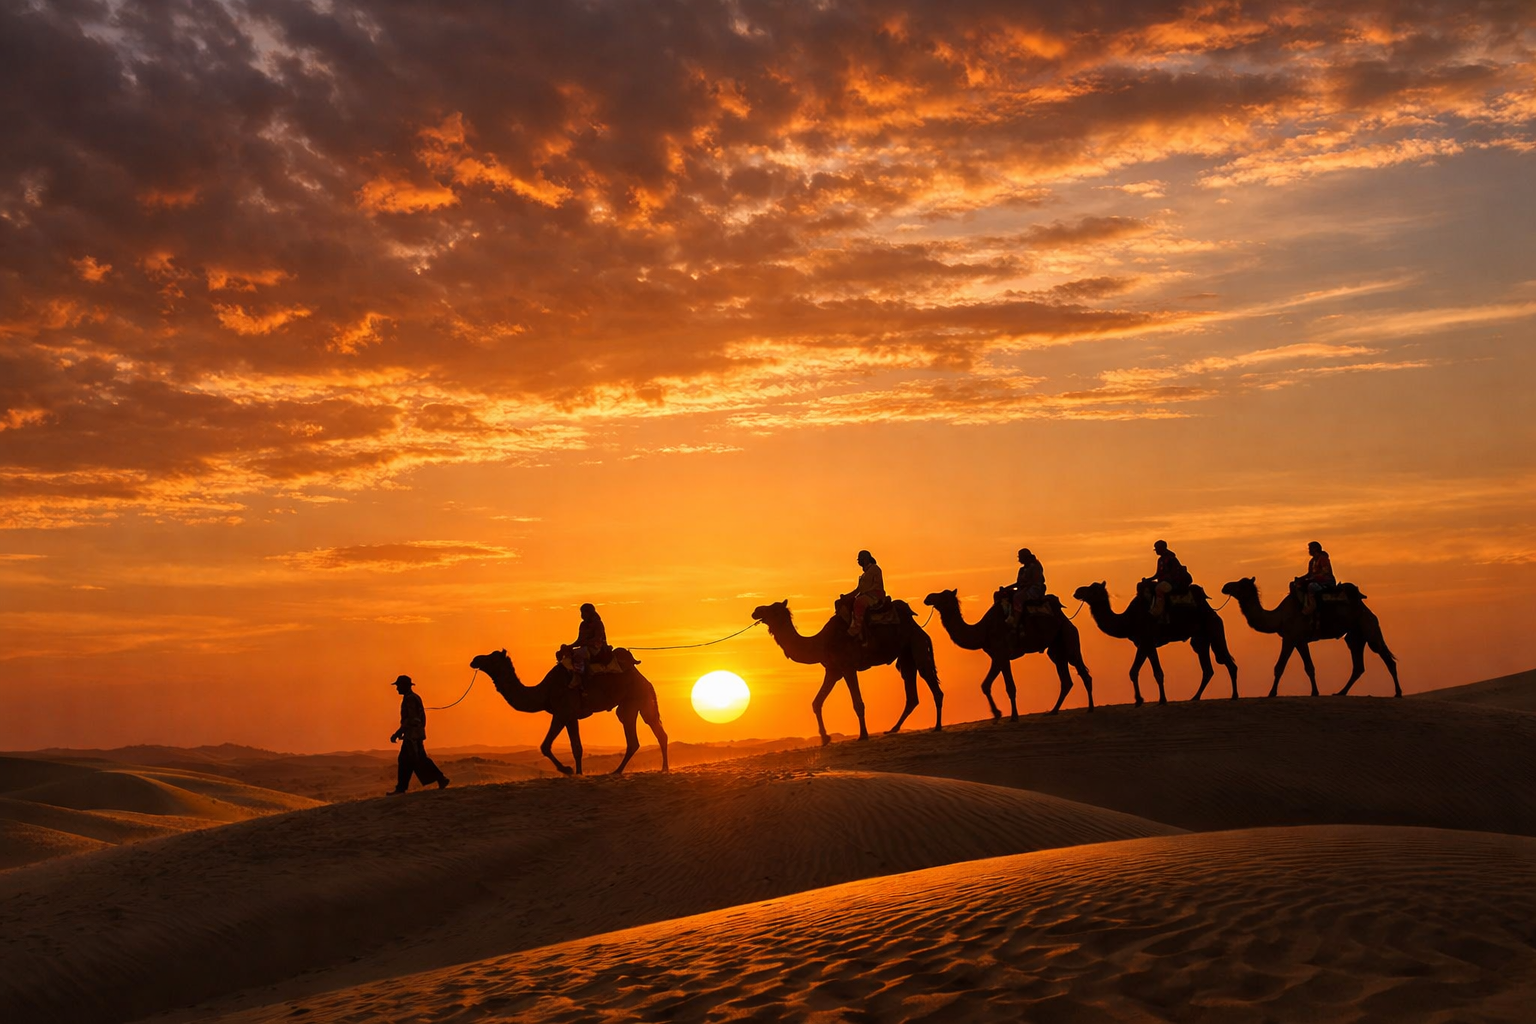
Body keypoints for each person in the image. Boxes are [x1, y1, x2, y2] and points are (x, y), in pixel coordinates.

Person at [389, 675, 449, 794]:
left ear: (405, 686)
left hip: (412, 736)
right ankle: (440, 779)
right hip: (415, 735)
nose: (397, 688)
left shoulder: (410, 699)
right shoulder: (413, 697)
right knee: (412, 760)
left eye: (398, 685)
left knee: (408, 760)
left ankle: (401, 788)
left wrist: (397, 733)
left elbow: (412, 719)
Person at [567, 602, 610, 689]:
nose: (582, 615)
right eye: (581, 612)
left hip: (597, 648)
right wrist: (570, 646)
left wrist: (586, 642)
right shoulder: (583, 625)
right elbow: (579, 640)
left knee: (579, 655)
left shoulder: (597, 623)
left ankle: (583, 679)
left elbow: (598, 638)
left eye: (584, 612)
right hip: (586, 647)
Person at [1146, 539, 1192, 619]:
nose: (1156, 551)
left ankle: (1157, 611)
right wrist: (1148, 580)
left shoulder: (1171, 559)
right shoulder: (1160, 560)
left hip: (1174, 583)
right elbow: (1158, 574)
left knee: (1159, 588)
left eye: (1157, 549)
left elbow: (1174, 573)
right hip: (1165, 581)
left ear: (1162, 548)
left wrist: (1165, 578)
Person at [847, 550, 885, 640]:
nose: (859, 562)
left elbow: (872, 587)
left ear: (866, 559)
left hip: (875, 596)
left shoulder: (875, 569)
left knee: (859, 602)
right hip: (866, 595)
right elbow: (859, 589)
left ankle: (856, 628)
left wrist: (859, 594)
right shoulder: (864, 574)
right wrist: (846, 596)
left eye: (860, 559)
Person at [1004, 548, 1046, 626]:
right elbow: (1018, 583)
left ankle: (1016, 621)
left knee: (1017, 597)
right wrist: (1006, 588)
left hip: (1035, 589)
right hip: (1023, 589)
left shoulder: (1035, 567)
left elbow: (1035, 581)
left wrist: (1025, 587)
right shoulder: (1022, 570)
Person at [1293, 540, 1335, 617]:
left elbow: (1325, 572)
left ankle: (1312, 606)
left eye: (1310, 548)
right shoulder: (1312, 561)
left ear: (1315, 549)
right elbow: (1309, 574)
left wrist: (1313, 578)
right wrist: (1300, 579)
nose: (1309, 550)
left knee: (1311, 586)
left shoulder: (1323, 559)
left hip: (1326, 582)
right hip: (1316, 580)